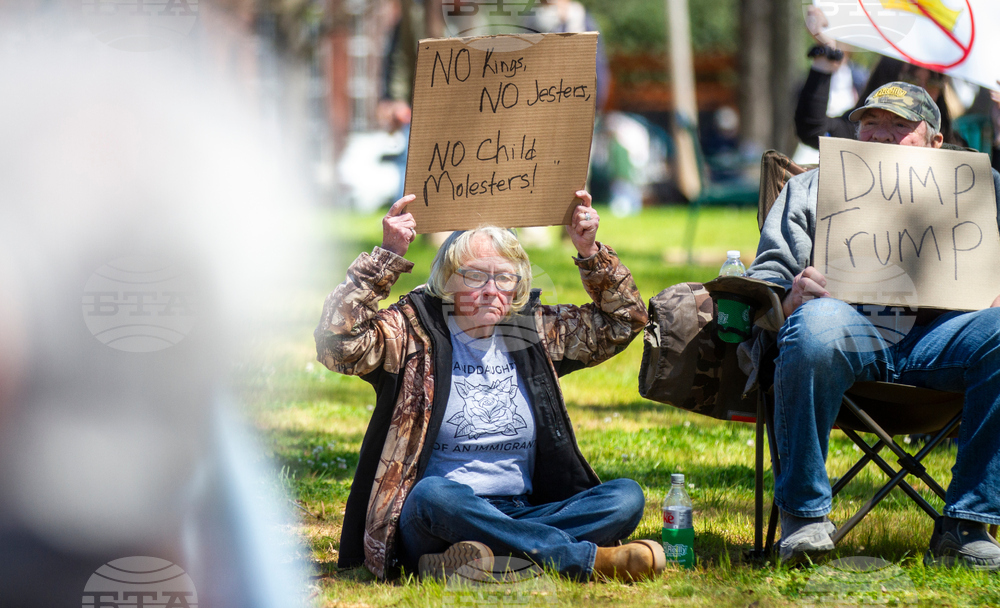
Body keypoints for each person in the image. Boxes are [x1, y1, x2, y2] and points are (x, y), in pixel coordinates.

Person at [315, 190, 665, 581]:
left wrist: (589, 252)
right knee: (435, 495)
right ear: (447, 280)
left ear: (517, 286)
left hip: (523, 507)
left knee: (625, 498)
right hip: (438, 511)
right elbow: (338, 345)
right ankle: (582, 560)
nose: (490, 289)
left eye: (503, 277)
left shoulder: (533, 332)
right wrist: (387, 255)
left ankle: (479, 559)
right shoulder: (412, 333)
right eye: (475, 275)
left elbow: (623, 321)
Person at [747, 81, 1000, 567]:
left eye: (900, 126)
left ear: (935, 142)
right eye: (870, 123)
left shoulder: (982, 188)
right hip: (846, 330)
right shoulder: (811, 187)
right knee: (815, 323)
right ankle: (803, 518)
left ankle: (967, 525)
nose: (881, 135)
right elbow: (766, 280)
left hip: (949, 340)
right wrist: (791, 296)